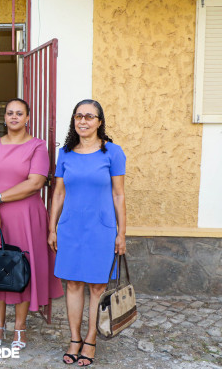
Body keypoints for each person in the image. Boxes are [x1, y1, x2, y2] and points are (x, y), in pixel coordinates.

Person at [47, 99, 127, 367]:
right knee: (72, 284)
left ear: (99, 122)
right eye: (79, 116)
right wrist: (52, 227)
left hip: (101, 229)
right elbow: (58, 193)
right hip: (71, 228)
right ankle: (74, 338)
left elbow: (119, 194)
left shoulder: (113, 153)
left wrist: (121, 234)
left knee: (97, 287)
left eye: (90, 117)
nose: (83, 121)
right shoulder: (66, 154)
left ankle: (91, 339)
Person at [0, 98, 63, 349]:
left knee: (23, 268)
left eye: (19, 113)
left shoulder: (37, 146)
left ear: (28, 118)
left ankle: (20, 328)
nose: (14, 117)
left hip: (27, 216)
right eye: (9, 113)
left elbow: (35, 182)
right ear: (4, 118)